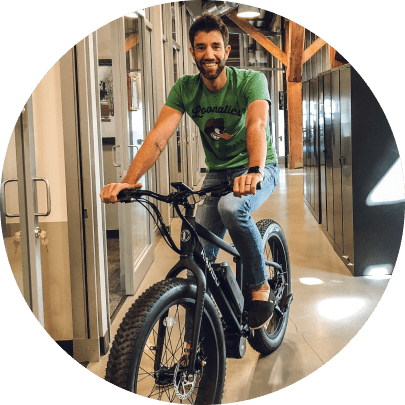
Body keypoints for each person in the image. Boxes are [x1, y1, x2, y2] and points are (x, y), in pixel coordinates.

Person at [100, 13, 279, 330]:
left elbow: (257, 123)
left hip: (258, 166)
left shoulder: (251, 81)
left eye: (215, 46)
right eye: (200, 47)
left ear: (226, 51)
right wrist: (128, 182)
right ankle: (193, 344)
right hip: (218, 173)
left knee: (232, 207)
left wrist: (254, 169)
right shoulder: (185, 88)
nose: (208, 54)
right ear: (193, 52)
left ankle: (258, 284)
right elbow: (158, 136)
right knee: (199, 259)